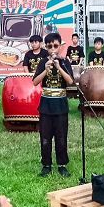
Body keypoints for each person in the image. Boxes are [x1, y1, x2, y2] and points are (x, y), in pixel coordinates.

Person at [33, 32, 74, 177]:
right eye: (49, 46)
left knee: (61, 136)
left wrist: (59, 67)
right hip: (46, 105)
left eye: (55, 46)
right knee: (45, 137)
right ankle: (46, 164)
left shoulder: (64, 62)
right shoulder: (43, 62)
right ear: (46, 47)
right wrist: (45, 70)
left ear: (60, 47)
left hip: (61, 104)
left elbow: (70, 81)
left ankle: (62, 164)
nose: (52, 49)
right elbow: (35, 82)